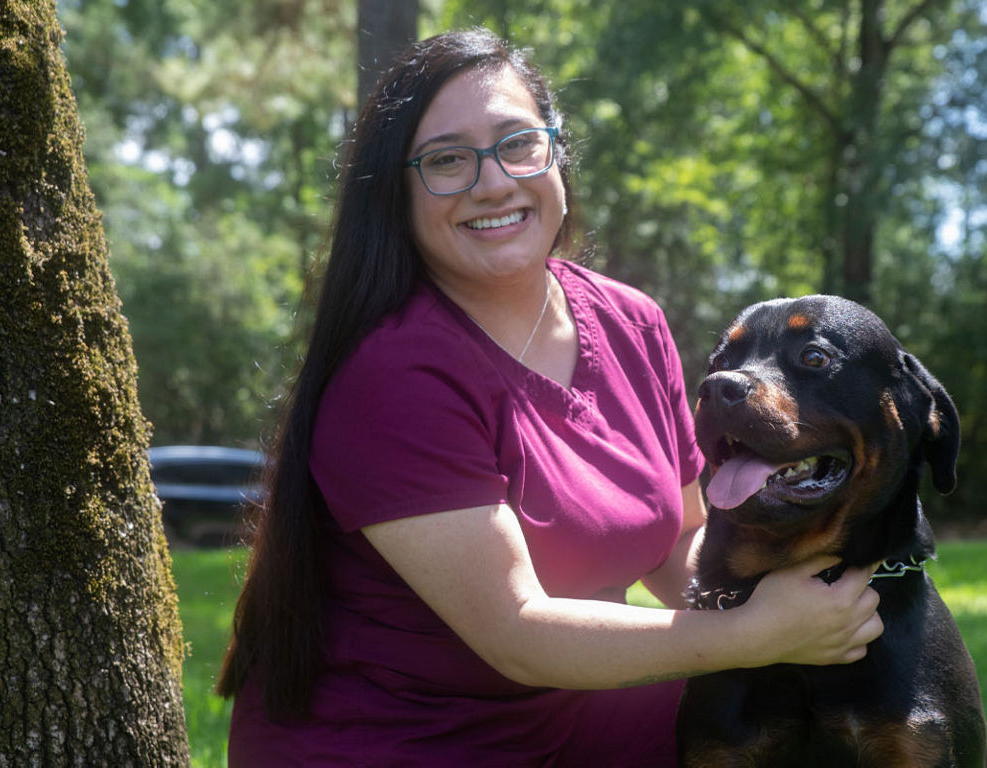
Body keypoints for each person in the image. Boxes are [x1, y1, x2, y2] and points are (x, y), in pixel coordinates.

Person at [217, 28, 883, 766]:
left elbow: (678, 546)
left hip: (589, 713)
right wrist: (758, 636)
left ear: (556, 152)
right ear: (397, 193)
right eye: (445, 161)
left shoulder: (633, 322)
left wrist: (803, 595)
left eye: (516, 143)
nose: (493, 182)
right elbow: (519, 634)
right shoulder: (393, 371)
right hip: (401, 743)